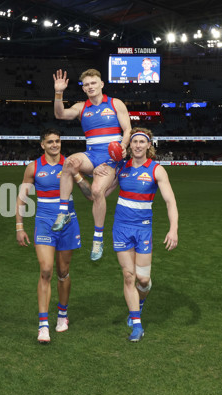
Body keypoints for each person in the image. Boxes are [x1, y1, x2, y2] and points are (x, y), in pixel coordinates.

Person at [98, 127, 178, 342]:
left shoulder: (156, 170)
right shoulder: (121, 167)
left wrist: (173, 229)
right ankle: (136, 324)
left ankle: (140, 302)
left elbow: (170, 201)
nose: (138, 145)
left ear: (148, 145)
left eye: (142, 142)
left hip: (143, 229)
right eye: (135, 142)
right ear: (130, 145)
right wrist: (94, 176)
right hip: (121, 228)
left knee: (143, 279)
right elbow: (101, 195)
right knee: (128, 275)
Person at [16, 129, 93, 343]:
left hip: (68, 221)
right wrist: (19, 226)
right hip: (44, 221)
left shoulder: (71, 164)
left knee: (63, 271)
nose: (54, 145)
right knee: (46, 270)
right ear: (42, 144)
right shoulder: (33, 167)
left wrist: (77, 174)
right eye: (50, 142)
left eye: (57, 141)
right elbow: (22, 197)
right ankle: (43, 325)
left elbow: (90, 195)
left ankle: (62, 314)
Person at [52, 68, 132, 261]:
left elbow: (128, 129)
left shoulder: (115, 103)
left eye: (93, 83)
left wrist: (122, 147)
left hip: (111, 159)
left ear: (101, 84)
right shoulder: (82, 107)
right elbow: (60, 114)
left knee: (97, 192)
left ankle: (98, 238)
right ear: (83, 88)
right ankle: (64, 212)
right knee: (69, 162)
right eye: (86, 84)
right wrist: (59, 92)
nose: (90, 87)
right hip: (91, 155)